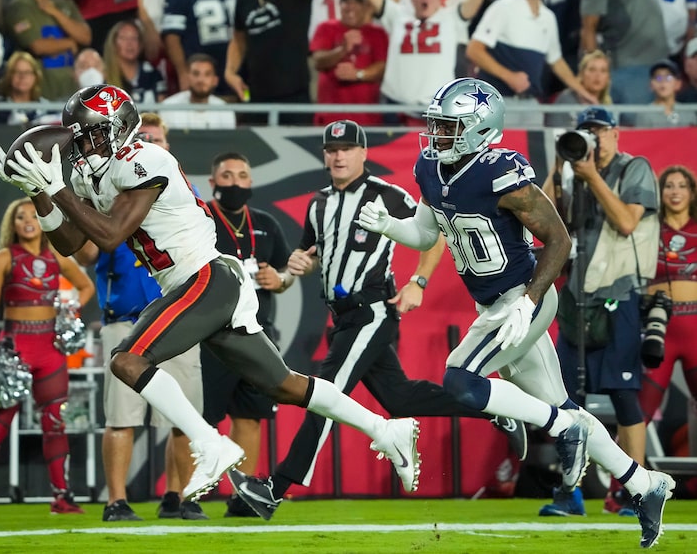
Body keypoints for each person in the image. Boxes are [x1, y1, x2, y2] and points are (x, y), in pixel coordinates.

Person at [0, 83, 423, 508]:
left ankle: (209, 443)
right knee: (286, 385)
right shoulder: (95, 174)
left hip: (205, 277)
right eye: (81, 136)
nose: (85, 145)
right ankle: (385, 431)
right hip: (198, 284)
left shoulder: (146, 157)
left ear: (119, 126)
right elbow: (71, 244)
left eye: (93, 133)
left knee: (127, 360)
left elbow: (109, 236)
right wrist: (39, 191)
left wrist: (58, 189)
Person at [353, 79, 675, 548]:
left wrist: (526, 302)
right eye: (436, 125)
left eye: (448, 127)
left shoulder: (500, 171)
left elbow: (560, 241)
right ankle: (644, 484)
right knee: (562, 408)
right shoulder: (430, 166)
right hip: (494, 303)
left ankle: (559, 428)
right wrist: (390, 227)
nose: (436, 135)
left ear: (480, 129)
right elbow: (426, 235)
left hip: (524, 297)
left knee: (459, 380)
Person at [229, 119, 528, 521]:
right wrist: (289, 271)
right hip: (344, 317)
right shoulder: (319, 202)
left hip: (370, 310)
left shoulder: (385, 194)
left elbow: (436, 231)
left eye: (346, 148)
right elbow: (304, 258)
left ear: (363, 153)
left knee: (325, 397)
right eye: (331, 149)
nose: (338, 155)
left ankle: (274, 489)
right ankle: (492, 407)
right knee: (399, 397)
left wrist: (418, 281)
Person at [75, 116, 207, 521]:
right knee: (122, 417)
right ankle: (116, 500)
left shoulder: (182, 188)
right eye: (142, 137)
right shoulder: (104, 188)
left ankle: (179, 497)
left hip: (180, 314)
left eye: (156, 139)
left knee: (184, 417)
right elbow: (86, 254)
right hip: (127, 316)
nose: (148, 145)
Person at [541, 105, 659, 517]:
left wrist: (590, 176)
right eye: (584, 132)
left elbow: (627, 222)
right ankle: (569, 491)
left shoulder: (635, 169)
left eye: (598, 131)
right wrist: (561, 166)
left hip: (619, 294)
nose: (592, 138)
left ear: (615, 133)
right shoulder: (573, 174)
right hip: (576, 296)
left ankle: (638, 491)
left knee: (625, 396)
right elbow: (544, 217)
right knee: (566, 400)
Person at [0, 196, 95, 516]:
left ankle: (61, 497)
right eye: (21, 217)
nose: (29, 220)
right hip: (14, 347)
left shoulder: (56, 256)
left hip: (50, 349)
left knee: (55, 422)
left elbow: (85, 286)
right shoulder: (3, 258)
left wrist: (69, 310)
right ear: (13, 224)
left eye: (34, 214)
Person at [203, 151, 293, 517]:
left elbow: (285, 273)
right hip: (207, 333)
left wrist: (280, 280)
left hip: (256, 333)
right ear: (213, 182)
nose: (236, 182)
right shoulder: (201, 218)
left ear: (251, 182)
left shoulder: (267, 223)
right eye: (227, 176)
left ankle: (243, 496)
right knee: (197, 419)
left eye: (242, 175)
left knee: (249, 416)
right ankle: (180, 498)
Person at [467, 0, 596, 125]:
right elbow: (474, 50)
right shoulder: (503, 7)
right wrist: (509, 76)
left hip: (531, 103)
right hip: (498, 101)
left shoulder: (548, 17)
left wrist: (581, 91)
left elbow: (556, 61)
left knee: (529, 152)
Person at [639, 165, 697, 468]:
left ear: (691, 192)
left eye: (682, 186)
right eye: (669, 186)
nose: (675, 192)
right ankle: (618, 490)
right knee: (640, 413)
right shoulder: (649, 230)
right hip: (659, 330)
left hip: (695, 328)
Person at [4, 0, 92, 102]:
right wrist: (70, 43)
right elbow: (38, 46)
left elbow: (85, 37)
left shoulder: (66, 5)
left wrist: (54, 12)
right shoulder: (18, 6)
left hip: (70, 90)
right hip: (39, 93)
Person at [310, 0, 389, 125]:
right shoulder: (326, 28)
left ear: (366, 6)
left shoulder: (378, 33)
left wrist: (358, 74)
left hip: (367, 118)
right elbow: (318, 62)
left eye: (356, 2)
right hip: (330, 117)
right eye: (346, 2)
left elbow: (382, 68)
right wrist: (343, 50)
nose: (350, 7)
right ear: (340, 5)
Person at [160, 53, 235, 129]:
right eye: (196, 74)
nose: (201, 80)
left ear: (215, 80)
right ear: (187, 78)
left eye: (207, 74)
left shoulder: (225, 110)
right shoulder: (168, 107)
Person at [102, 19, 166, 106]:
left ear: (140, 44)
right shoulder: (104, 76)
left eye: (134, 38)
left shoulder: (153, 74)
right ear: (114, 43)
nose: (129, 43)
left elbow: (162, 108)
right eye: (123, 38)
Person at [550, 49, 613, 127]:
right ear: (582, 74)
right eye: (592, 70)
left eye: (603, 71)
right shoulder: (566, 99)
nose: (597, 75)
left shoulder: (608, 104)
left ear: (608, 78)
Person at [630, 59, 697, 128]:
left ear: (678, 84)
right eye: (658, 78)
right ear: (651, 85)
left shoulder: (688, 113)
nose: (663, 82)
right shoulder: (644, 114)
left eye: (668, 77)